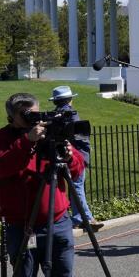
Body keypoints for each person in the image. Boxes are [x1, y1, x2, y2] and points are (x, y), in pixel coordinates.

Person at [0, 93, 84, 277]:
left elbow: (78, 169)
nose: (33, 119)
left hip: (58, 220)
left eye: (35, 112)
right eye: (26, 115)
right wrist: (27, 141)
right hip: (22, 225)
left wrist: (70, 156)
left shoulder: (50, 136)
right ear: (12, 116)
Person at [49, 86, 103, 232]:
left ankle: (79, 217)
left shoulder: (53, 116)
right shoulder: (71, 114)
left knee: (70, 187)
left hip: (59, 155)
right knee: (77, 186)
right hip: (75, 157)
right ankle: (87, 218)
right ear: (70, 99)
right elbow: (81, 139)